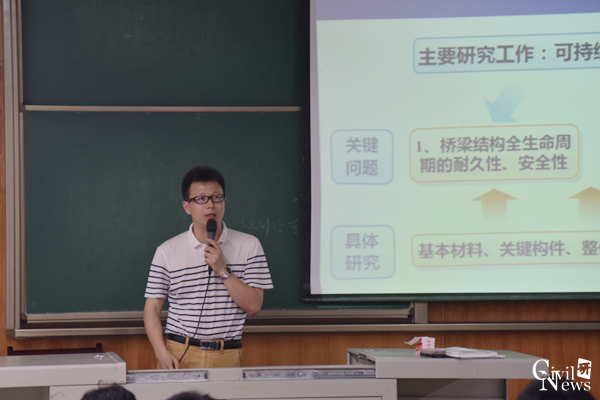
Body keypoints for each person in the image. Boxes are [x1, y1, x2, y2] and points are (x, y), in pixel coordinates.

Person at [144, 166, 273, 369]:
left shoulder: (249, 245)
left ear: (224, 202)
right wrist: (161, 353)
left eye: (217, 197)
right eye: (201, 199)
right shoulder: (167, 251)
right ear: (187, 206)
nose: (211, 205)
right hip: (179, 352)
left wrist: (223, 271)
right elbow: (152, 308)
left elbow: (254, 305)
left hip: (227, 353)